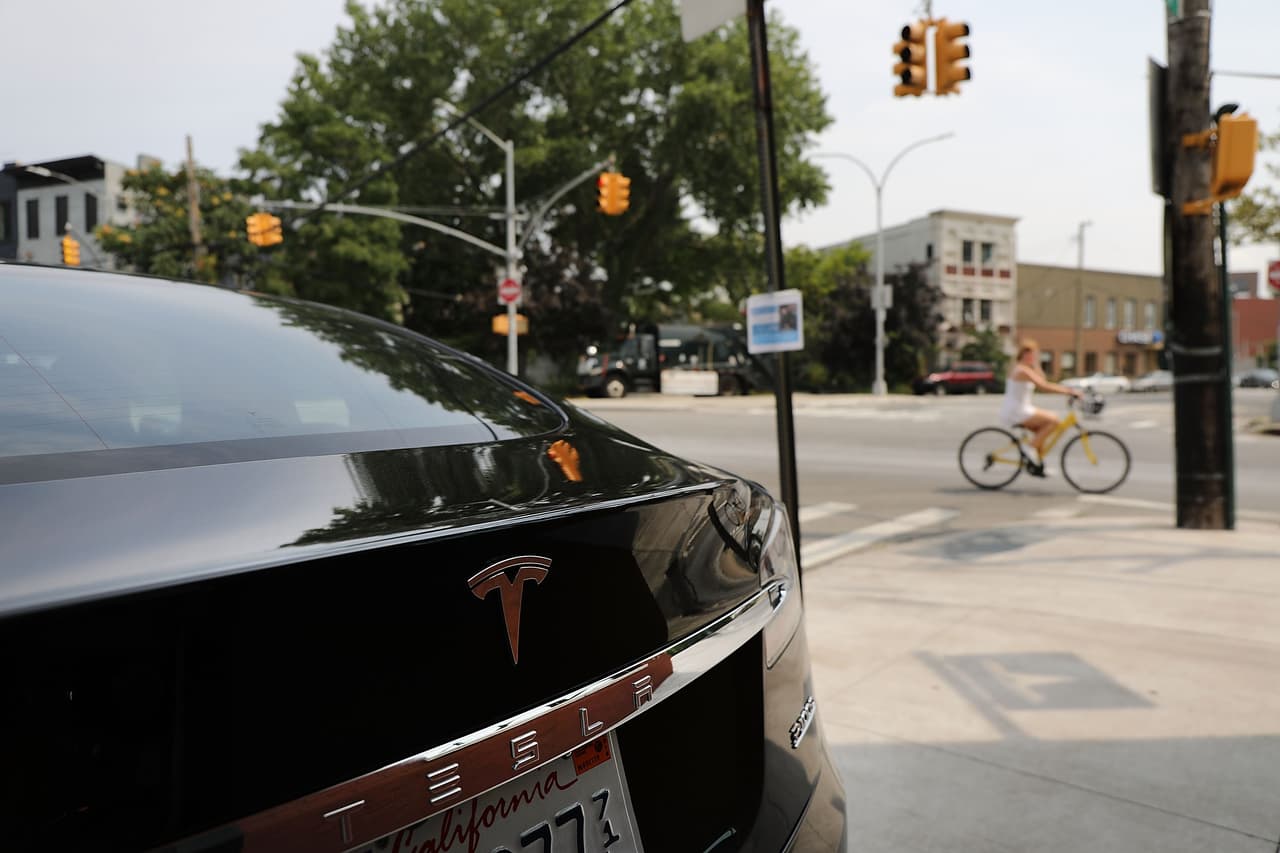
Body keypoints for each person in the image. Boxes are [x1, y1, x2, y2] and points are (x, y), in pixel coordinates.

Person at [999, 339, 1083, 476]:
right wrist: (1070, 391)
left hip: (1021, 408)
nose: (1034, 357)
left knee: (1043, 430)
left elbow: (1042, 378)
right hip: (1017, 411)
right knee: (1054, 421)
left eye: (1035, 355)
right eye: (1031, 355)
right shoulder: (1022, 370)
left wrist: (1035, 364)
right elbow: (1044, 386)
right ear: (1024, 354)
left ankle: (1038, 465)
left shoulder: (1024, 368)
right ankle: (1029, 448)